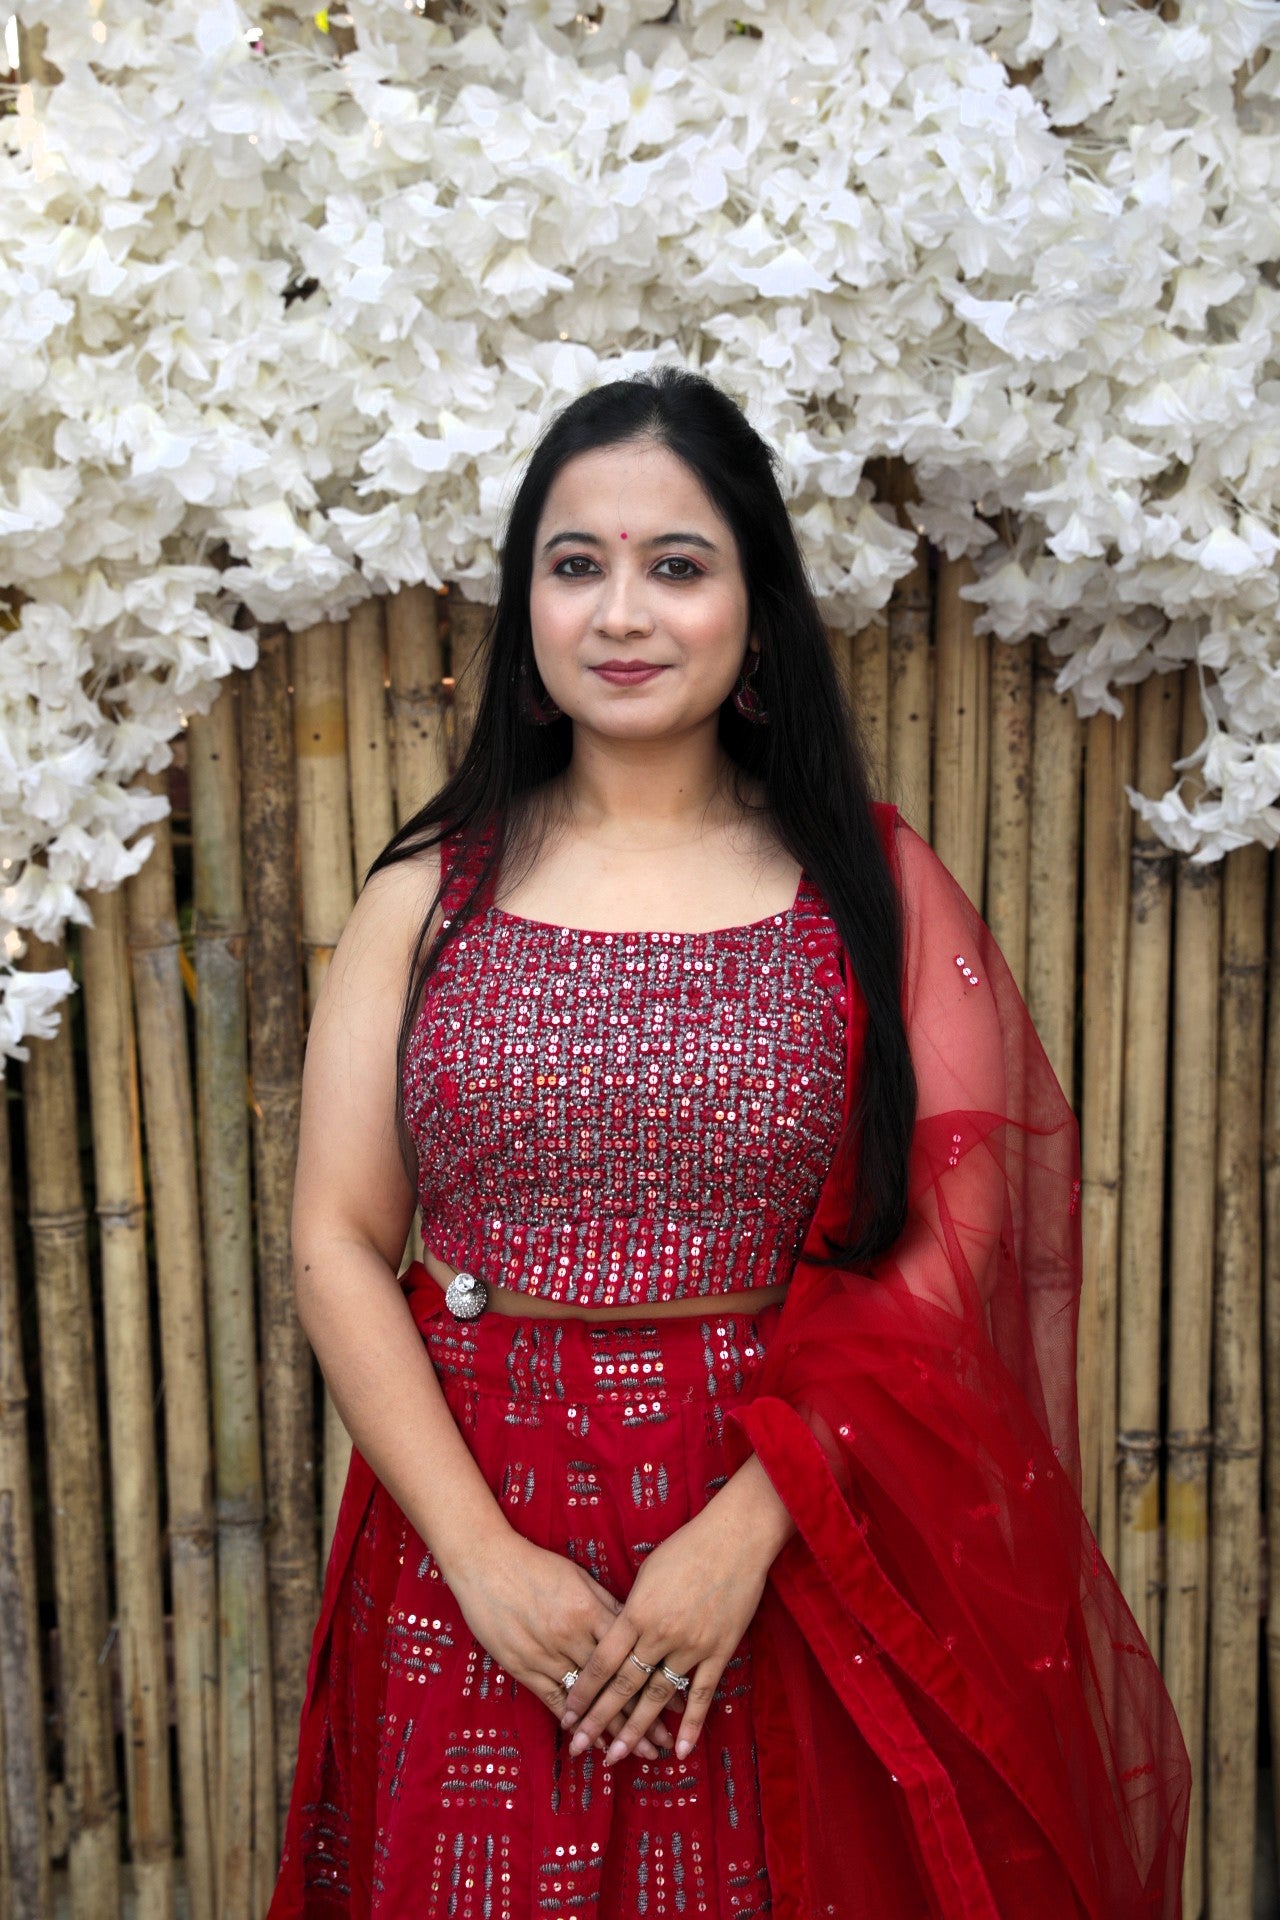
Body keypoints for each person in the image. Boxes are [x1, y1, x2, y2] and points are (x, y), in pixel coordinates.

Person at [267, 368, 1190, 1919]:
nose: (622, 611)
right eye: (577, 566)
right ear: (528, 613)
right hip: (472, 1541)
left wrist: (748, 1529)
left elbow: (954, 1245)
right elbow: (336, 1242)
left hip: (786, 1533)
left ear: (755, 616)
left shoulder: (870, 895)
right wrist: (486, 1561)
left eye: (675, 566)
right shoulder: (427, 895)